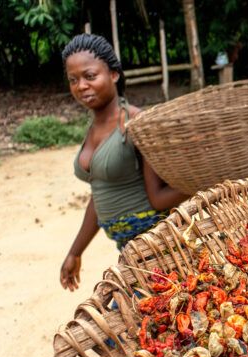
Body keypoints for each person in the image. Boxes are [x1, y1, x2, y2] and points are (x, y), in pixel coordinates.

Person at [59, 33, 188, 291]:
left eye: (90, 76)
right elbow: (100, 194)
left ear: (114, 74)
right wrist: (75, 252)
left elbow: (158, 198)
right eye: (73, 80)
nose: (81, 86)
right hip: (129, 250)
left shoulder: (136, 124)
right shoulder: (94, 127)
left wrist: (202, 183)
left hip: (155, 247)